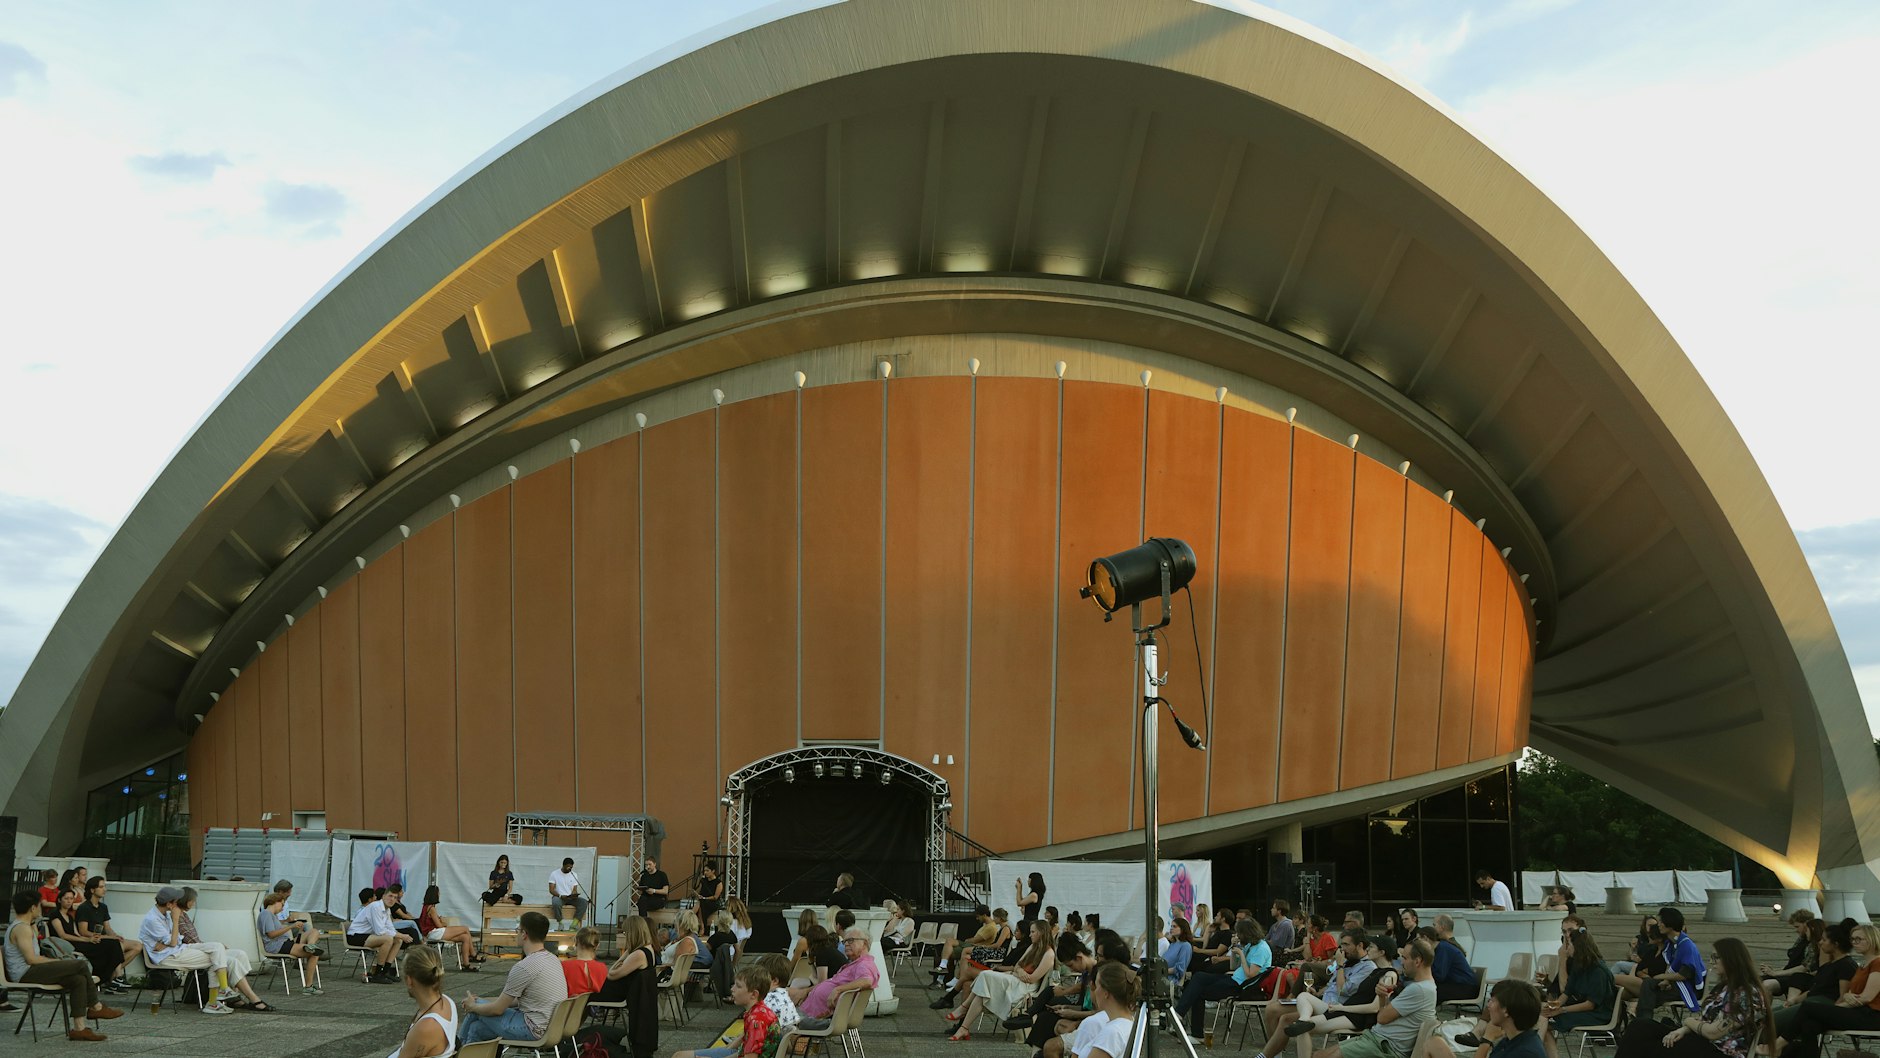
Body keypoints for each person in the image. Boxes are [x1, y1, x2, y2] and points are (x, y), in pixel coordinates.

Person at [1614, 937, 1772, 1058]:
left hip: (1722, 1051)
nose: (1713, 962)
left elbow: (1714, 1032)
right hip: (1703, 1041)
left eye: (1716, 957)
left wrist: (1688, 1022)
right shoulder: (1724, 987)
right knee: (1641, 1026)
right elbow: (1705, 1021)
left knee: (1650, 1047)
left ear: (1730, 959)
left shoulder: (1746, 993)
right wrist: (1683, 1030)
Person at [7, 888, 121, 1041]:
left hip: (32, 970)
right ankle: (96, 1006)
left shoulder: (26, 925)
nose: (41, 909)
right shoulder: (22, 928)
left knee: (78, 980)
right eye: (39, 905)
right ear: (33, 908)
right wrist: (58, 962)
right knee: (79, 964)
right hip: (25, 974)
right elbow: (31, 959)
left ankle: (79, 1029)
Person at [139, 885, 270, 1013]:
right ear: (169, 904)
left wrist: (169, 941)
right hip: (168, 957)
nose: (178, 904)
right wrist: (175, 920)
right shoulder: (154, 919)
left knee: (218, 948)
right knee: (219, 959)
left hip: (178, 950)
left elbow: (177, 939)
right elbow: (174, 942)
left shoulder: (165, 914)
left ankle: (221, 994)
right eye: (176, 901)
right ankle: (216, 999)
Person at [1309, 937, 1436, 1058]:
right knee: (1317, 1055)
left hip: (1384, 1046)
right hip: (1377, 1039)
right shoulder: (1426, 986)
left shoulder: (1418, 989)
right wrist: (1383, 997)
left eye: (1405, 958)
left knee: (1319, 1056)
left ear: (1418, 961)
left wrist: (1381, 997)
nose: (1401, 962)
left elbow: (1381, 1018)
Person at [1279, 935, 1401, 1054]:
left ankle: (1303, 1023)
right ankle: (1304, 1019)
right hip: (1345, 1010)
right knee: (1303, 998)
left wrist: (1342, 1007)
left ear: (1382, 952)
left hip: (1357, 1017)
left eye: (1372, 947)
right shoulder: (1375, 971)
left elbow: (1375, 1007)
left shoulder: (1389, 975)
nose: (1368, 949)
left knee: (1304, 1029)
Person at [459, 911, 568, 1045]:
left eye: (518, 930)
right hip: (551, 1026)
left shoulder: (525, 967)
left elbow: (497, 1009)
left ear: (524, 934)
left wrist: (473, 1006)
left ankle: (457, 1048)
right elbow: (517, 1001)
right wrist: (482, 1001)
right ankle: (462, 1049)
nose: (516, 934)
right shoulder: (553, 959)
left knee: (474, 1012)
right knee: (476, 1029)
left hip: (532, 1028)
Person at [1260, 927, 1375, 1050]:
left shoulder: (1367, 967)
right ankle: (1275, 1054)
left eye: (1346, 945)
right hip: (1322, 1001)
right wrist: (1317, 992)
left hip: (1337, 1008)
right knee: (1276, 1012)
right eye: (1342, 945)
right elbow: (1331, 984)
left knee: (1280, 1014)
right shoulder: (1347, 960)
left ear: (1360, 945)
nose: (1342, 949)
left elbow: (1343, 990)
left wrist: (1340, 966)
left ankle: (1271, 1053)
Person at [1781, 922, 1880, 1058]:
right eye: (1853, 939)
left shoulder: (1878, 963)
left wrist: (1841, 1004)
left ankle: (1778, 1043)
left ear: (1872, 939)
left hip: (1872, 1016)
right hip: (1858, 1010)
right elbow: (1850, 994)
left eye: (1859, 939)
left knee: (1809, 1007)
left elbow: (1866, 997)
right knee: (1810, 1025)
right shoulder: (1862, 965)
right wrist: (1847, 998)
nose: (1854, 943)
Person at [947, 919, 1057, 1040]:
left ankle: (964, 1008)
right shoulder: (1033, 946)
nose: (1030, 934)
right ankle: (964, 1028)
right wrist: (1019, 971)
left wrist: (1017, 972)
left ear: (1041, 932)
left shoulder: (1049, 953)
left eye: (1033, 932)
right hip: (1015, 980)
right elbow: (1018, 966)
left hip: (1025, 988)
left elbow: (1032, 979)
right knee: (982, 993)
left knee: (985, 975)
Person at [176, 887, 272, 1010]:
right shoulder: (177, 916)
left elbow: (194, 941)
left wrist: (214, 945)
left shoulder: (183, 915)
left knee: (240, 954)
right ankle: (252, 998)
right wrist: (213, 946)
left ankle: (233, 996)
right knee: (232, 961)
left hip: (199, 948)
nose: (194, 903)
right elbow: (190, 940)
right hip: (194, 951)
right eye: (193, 900)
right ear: (186, 900)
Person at [1176, 917, 1270, 1036]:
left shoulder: (1261, 949)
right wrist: (1236, 948)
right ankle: (1179, 1014)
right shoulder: (1250, 945)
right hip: (1234, 978)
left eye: (1239, 934)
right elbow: (1234, 966)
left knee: (1198, 992)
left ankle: (1195, 1033)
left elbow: (1251, 975)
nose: (1238, 936)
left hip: (1243, 986)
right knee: (1199, 976)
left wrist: (1241, 954)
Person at [1773, 918, 1856, 1046]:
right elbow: (1814, 989)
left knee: (1771, 1022)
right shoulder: (1829, 965)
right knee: (1768, 1015)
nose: (1820, 942)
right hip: (1811, 1001)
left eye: (1824, 940)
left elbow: (1842, 995)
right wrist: (1794, 1000)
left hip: (1819, 1005)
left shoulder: (1846, 965)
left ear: (1836, 944)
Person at [1536, 927, 1614, 1058]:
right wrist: (1555, 1006)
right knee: (1542, 1014)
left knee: (1548, 1022)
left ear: (1578, 947)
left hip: (1597, 1013)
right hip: (1581, 1007)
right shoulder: (1579, 965)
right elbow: (1567, 991)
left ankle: (1537, 1051)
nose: (1567, 949)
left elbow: (1591, 1004)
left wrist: (1562, 1010)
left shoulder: (1598, 971)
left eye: (1569, 944)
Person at [597, 916, 660, 1058]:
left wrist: (622, 958)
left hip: (619, 994)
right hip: (634, 995)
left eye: (626, 933)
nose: (624, 936)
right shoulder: (648, 949)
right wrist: (627, 952)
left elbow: (612, 974)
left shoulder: (638, 954)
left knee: (585, 995)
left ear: (633, 933)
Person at [48, 888, 126, 995]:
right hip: (66, 945)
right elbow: (63, 935)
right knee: (106, 946)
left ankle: (116, 978)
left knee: (112, 944)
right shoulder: (55, 915)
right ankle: (110, 978)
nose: (69, 901)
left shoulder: (70, 916)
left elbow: (77, 933)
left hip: (76, 941)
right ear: (59, 900)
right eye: (66, 898)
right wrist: (86, 940)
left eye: (71, 898)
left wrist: (90, 939)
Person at [1631, 907, 1706, 1019]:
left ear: (1670, 924)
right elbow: (1671, 966)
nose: (1659, 925)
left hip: (1688, 987)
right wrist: (1666, 980)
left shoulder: (1686, 945)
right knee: (1648, 986)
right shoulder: (1672, 943)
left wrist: (1662, 976)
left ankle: (1643, 1021)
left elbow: (1683, 975)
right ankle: (1643, 1019)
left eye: (1661, 922)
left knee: (1648, 992)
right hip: (1676, 984)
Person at [801, 928, 881, 1027]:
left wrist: (838, 990)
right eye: (845, 941)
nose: (846, 944)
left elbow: (866, 981)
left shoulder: (864, 964)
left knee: (784, 1022)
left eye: (850, 940)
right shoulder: (857, 964)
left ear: (864, 943)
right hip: (818, 1013)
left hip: (824, 1019)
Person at [73, 877, 141, 991]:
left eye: (104, 886)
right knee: (115, 945)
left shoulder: (103, 907)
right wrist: (108, 937)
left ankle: (112, 974)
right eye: (101, 887)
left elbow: (107, 927)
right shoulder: (84, 908)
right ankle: (118, 977)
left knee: (137, 946)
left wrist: (115, 935)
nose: (104, 889)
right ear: (92, 890)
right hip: (93, 941)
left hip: (106, 939)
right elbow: (83, 931)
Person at [257, 890, 326, 994]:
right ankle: (308, 986)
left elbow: (275, 927)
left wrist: (288, 922)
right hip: (277, 946)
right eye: (282, 904)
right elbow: (271, 934)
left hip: (284, 942)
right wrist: (291, 926)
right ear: (275, 902)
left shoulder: (270, 915)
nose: (283, 907)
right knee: (314, 955)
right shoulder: (266, 914)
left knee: (314, 931)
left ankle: (310, 946)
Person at [348, 886, 411, 982]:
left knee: (398, 940)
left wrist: (400, 936)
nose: (392, 899)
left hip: (367, 936)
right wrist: (402, 935)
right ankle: (377, 974)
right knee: (388, 939)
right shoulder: (375, 907)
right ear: (383, 896)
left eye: (395, 897)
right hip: (355, 936)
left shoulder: (387, 909)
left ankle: (384, 971)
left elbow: (390, 928)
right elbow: (380, 931)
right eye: (390, 896)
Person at [1082, 962, 1140, 1058]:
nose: (1094, 991)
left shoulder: (1112, 1033)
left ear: (1106, 993)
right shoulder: (1131, 1023)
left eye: (1097, 986)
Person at [1476, 979, 1546, 1058]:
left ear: (1506, 1011)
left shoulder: (1524, 1053)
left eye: (1492, 1001)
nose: (1488, 1005)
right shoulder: (1512, 1040)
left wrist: (1487, 1039)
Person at [418, 884, 480, 969]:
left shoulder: (425, 907)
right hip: (434, 933)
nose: (439, 895)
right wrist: (443, 923)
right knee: (465, 928)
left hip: (432, 932)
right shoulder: (431, 908)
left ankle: (466, 963)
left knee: (465, 937)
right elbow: (439, 925)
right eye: (438, 893)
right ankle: (473, 954)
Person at [1763, 910, 1822, 1001]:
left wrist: (1776, 973)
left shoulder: (1814, 944)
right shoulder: (1802, 939)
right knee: (1756, 981)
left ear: (1807, 924)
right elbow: (1793, 962)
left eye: (1797, 927)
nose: (1796, 930)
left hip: (1798, 977)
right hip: (1790, 973)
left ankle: (1767, 1013)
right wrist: (1775, 971)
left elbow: (1805, 967)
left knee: (1767, 985)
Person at [1425, 919, 1478, 1003]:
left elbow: (1439, 975)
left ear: (1426, 939)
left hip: (1464, 987)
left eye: (1434, 925)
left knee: (1427, 991)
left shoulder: (1443, 947)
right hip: (1460, 984)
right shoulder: (1443, 946)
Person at [563, 926, 607, 996]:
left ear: (576, 942)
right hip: (595, 1005)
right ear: (597, 945)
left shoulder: (564, 966)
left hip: (571, 1005)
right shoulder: (603, 967)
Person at [1165, 917, 1196, 983]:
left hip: (1171, 982)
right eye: (1171, 926)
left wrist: (1162, 971)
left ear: (1182, 929)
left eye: (1174, 926)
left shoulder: (1186, 946)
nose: (1171, 928)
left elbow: (1180, 968)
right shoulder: (1172, 944)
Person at [697, 861, 725, 927]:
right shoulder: (704, 881)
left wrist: (705, 898)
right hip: (703, 901)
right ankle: (702, 926)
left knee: (701, 904)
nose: (705, 872)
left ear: (713, 871)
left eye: (707, 870)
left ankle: (702, 926)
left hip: (713, 902)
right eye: (704, 871)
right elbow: (700, 891)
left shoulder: (718, 883)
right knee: (700, 904)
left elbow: (715, 897)